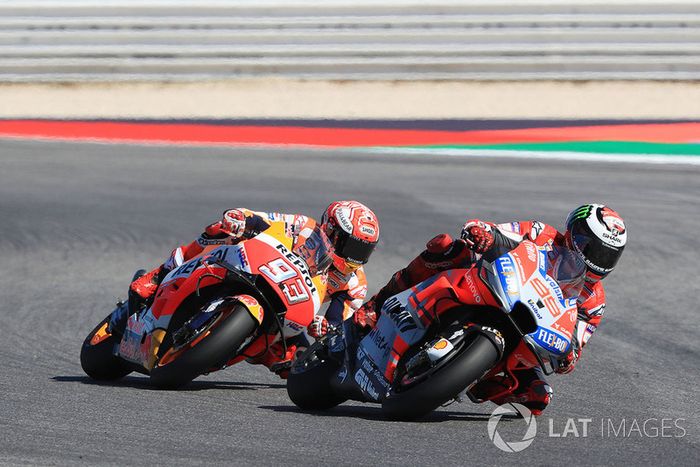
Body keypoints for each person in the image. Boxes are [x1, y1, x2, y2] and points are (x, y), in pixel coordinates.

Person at [352, 204, 627, 415]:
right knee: (449, 249)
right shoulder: (543, 234)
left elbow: (576, 342)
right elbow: (500, 232)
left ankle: (472, 379)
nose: (597, 260)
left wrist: (569, 356)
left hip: (527, 335)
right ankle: (377, 305)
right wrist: (483, 233)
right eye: (593, 249)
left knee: (537, 398)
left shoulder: (593, 300)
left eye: (607, 256)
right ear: (576, 234)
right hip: (495, 289)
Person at [126, 201, 380, 378]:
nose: (355, 258)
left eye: (363, 251)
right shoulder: (305, 227)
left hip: (291, 309)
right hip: (256, 270)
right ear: (332, 231)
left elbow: (341, 323)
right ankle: (160, 274)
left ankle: (229, 348)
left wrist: (326, 329)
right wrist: (241, 219)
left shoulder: (355, 284)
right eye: (352, 247)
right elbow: (263, 220)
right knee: (221, 230)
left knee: (298, 363)